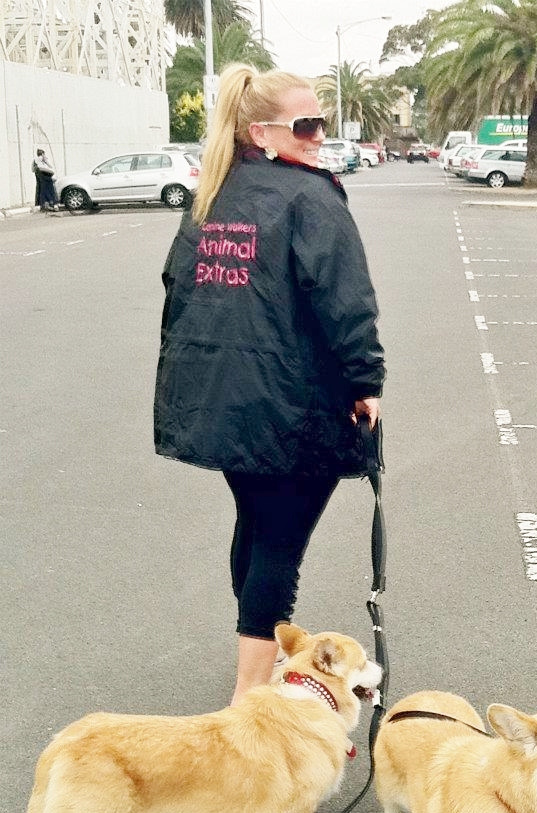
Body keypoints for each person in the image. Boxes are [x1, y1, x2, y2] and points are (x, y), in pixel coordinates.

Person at [154, 63, 386, 705]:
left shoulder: (214, 194)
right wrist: (366, 382)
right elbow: (346, 304)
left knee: (258, 527)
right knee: (278, 543)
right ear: (262, 131)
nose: (319, 135)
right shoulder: (310, 197)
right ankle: (250, 698)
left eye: (322, 122)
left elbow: (179, 289)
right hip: (290, 401)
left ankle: (257, 665)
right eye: (306, 124)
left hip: (224, 399)